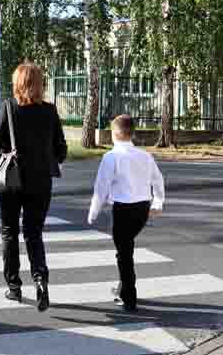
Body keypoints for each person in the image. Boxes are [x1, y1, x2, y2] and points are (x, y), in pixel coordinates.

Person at [0, 62, 67, 312]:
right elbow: (62, 150)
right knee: (34, 233)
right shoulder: (50, 111)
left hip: (10, 180)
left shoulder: (8, 108)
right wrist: (48, 159)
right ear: (40, 84)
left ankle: (14, 287)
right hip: (41, 182)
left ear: (17, 83)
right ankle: (40, 280)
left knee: (9, 231)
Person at [87, 114, 164, 312]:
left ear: (114, 134)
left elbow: (101, 187)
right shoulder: (145, 156)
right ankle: (123, 287)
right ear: (132, 133)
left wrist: (93, 212)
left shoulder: (111, 157)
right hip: (142, 210)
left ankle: (129, 297)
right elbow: (158, 179)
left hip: (122, 210)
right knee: (126, 248)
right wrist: (157, 202)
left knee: (124, 254)